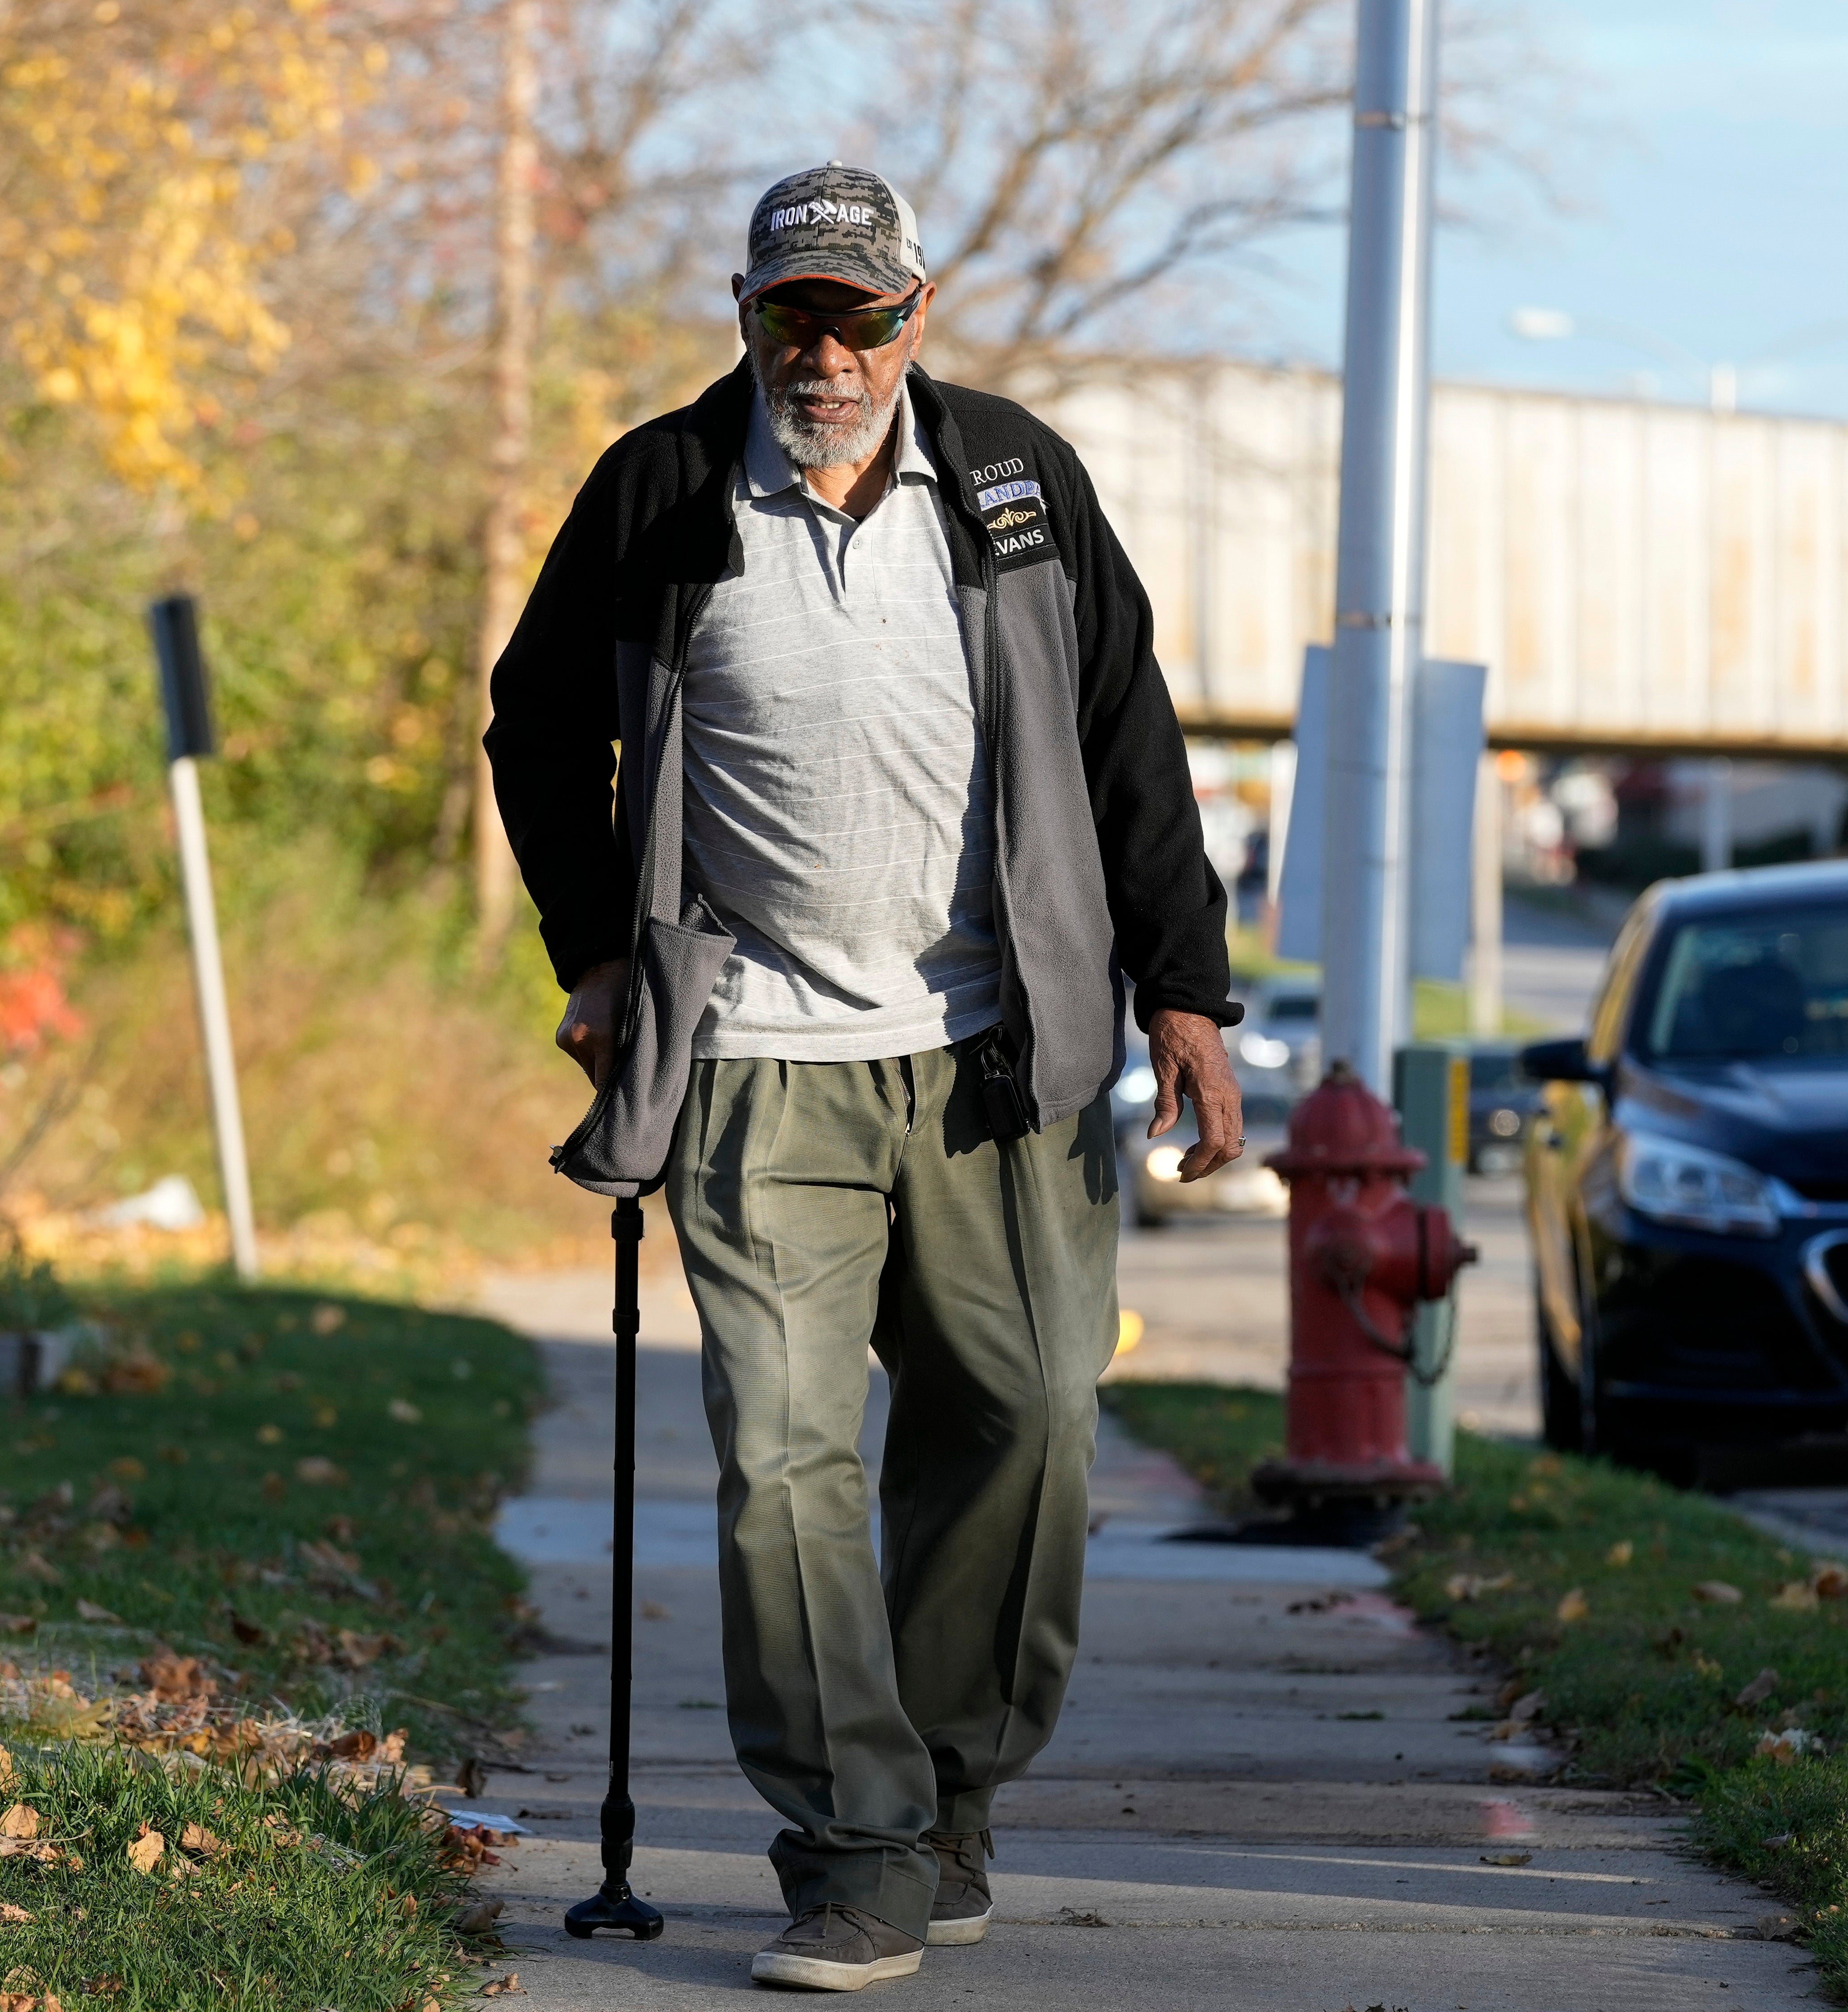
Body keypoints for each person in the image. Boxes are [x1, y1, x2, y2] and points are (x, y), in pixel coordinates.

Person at [487, 163, 1245, 1991]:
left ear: (921, 313)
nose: (825, 351)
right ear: (744, 316)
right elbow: (536, 723)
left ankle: (945, 1791)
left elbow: (1122, 725)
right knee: (785, 1464)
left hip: (1000, 1053)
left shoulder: (1012, 482)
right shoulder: (663, 490)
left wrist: (1185, 993)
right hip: (756, 1059)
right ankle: (853, 1845)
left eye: (861, 315)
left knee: (1034, 1417)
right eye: (789, 316)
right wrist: (599, 950)